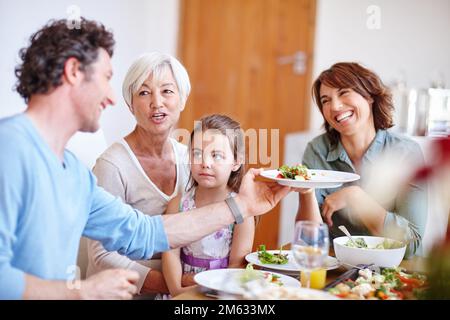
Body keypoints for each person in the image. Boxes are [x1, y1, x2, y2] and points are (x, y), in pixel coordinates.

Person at [0, 17, 290, 299]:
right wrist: (81, 293)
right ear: (74, 71)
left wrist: (242, 205)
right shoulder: (9, 150)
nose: (113, 98)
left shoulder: (73, 172)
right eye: (107, 78)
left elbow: (143, 232)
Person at [86, 52, 191, 297]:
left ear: (182, 99)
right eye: (144, 93)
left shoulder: (190, 160)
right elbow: (102, 256)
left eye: (167, 91)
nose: (157, 103)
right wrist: (174, 284)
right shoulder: (112, 165)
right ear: (130, 104)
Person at [295, 62, 427, 257]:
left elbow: (411, 244)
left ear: (369, 96)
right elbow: (308, 242)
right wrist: (306, 191)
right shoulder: (317, 150)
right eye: (325, 100)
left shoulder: (405, 153)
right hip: (339, 268)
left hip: (397, 272)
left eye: (344, 92)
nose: (335, 106)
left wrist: (355, 198)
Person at [162, 114, 255, 297]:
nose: (205, 163)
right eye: (197, 153)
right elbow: (170, 256)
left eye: (216, 155)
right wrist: (177, 291)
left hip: (220, 294)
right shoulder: (178, 205)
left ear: (236, 161)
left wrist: (202, 290)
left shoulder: (242, 212)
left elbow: (236, 267)